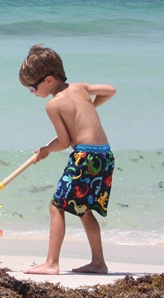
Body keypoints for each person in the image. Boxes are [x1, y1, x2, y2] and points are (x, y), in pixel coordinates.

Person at [18, 44, 116, 275]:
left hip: (85, 156)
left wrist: (45, 150)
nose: (33, 92)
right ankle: (98, 262)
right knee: (83, 209)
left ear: (49, 80)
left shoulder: (53, 104)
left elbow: (64, 142)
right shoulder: (80, 88)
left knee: (56, 205)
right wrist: (88, 105)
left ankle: (51, 263)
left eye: (33, 87)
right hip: (105, 155)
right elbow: (110, 90)